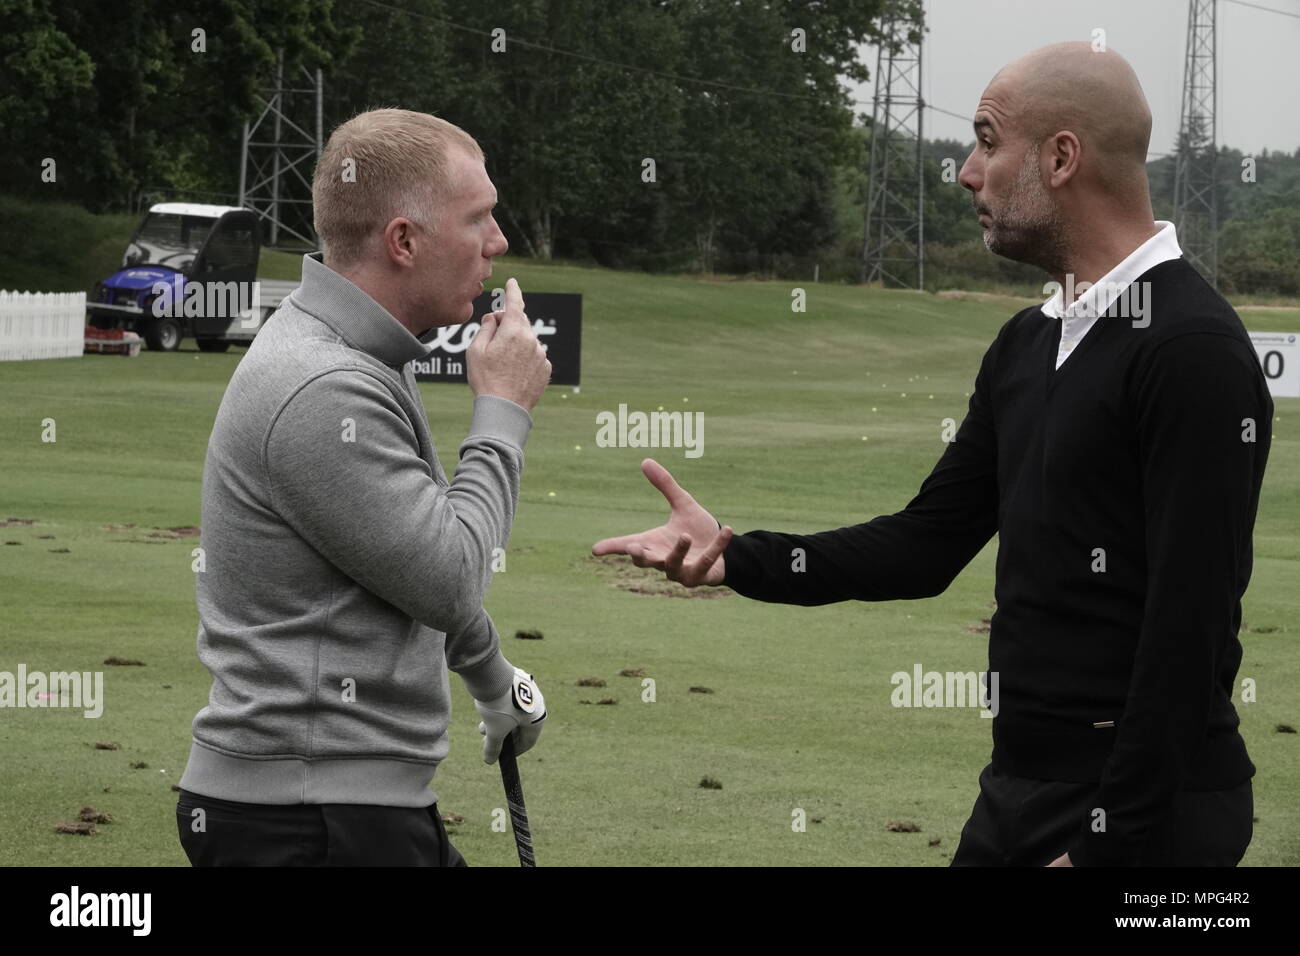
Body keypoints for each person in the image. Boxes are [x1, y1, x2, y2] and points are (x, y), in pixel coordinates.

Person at [593, 43, 1272, 867]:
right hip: (1021, 792)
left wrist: (1109, 845)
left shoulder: (1191, 350)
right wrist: (737, 557)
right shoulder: (1027, 342)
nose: (965, 173)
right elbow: (925, 545)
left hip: (1148, 817)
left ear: (1061, 158)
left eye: (986, 141)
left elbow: (1188, 627)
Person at [177, 109, 551, 866]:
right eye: (478, 218)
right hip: (311, 819)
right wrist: (503, 411)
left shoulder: (359, 354)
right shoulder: (325, 385)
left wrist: (490, 677)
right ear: (403, 241)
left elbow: (402, 560)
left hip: (334, 810)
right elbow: (448, 576)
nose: (498, 241)